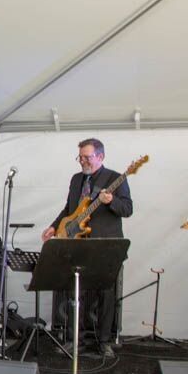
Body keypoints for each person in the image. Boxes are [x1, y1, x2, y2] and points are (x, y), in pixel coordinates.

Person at [42, 138, 132, 359]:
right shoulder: (76, 180)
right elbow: (69, 209)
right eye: (80, 157)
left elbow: (128, 208)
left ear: (100, 157)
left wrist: (111, 201)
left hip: (105, 245)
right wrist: (54, 227)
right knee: (76, 292)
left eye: (87, 157)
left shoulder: (115, 178)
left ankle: (103, 342)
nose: (83, 161)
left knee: (106, 294)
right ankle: (76, 339)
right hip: (78, 243)